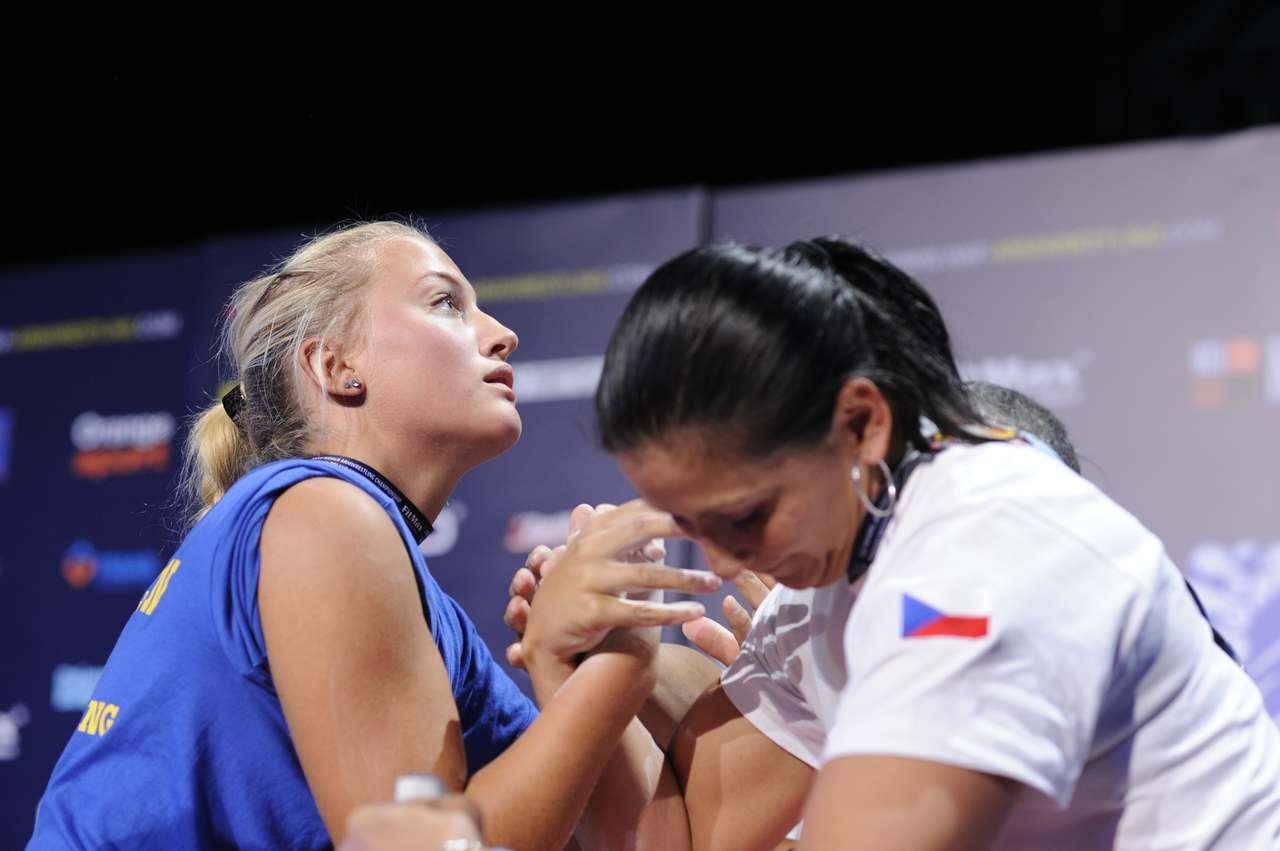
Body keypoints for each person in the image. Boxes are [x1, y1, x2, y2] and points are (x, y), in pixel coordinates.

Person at [28, 222, 718, 850]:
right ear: (335, 367)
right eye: (447, 302)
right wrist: (617, 673)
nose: (502, 332)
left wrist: (588, 656)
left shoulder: (409, 593)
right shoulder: (322, 512)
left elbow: (644, 842)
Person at [575, 237, 1280, 849]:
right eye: (693, 527)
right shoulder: (821, 586)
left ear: (862, 424)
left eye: (747, 515)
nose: (725, 561)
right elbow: (683, 842)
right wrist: (596, 664)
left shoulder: (984, 555)